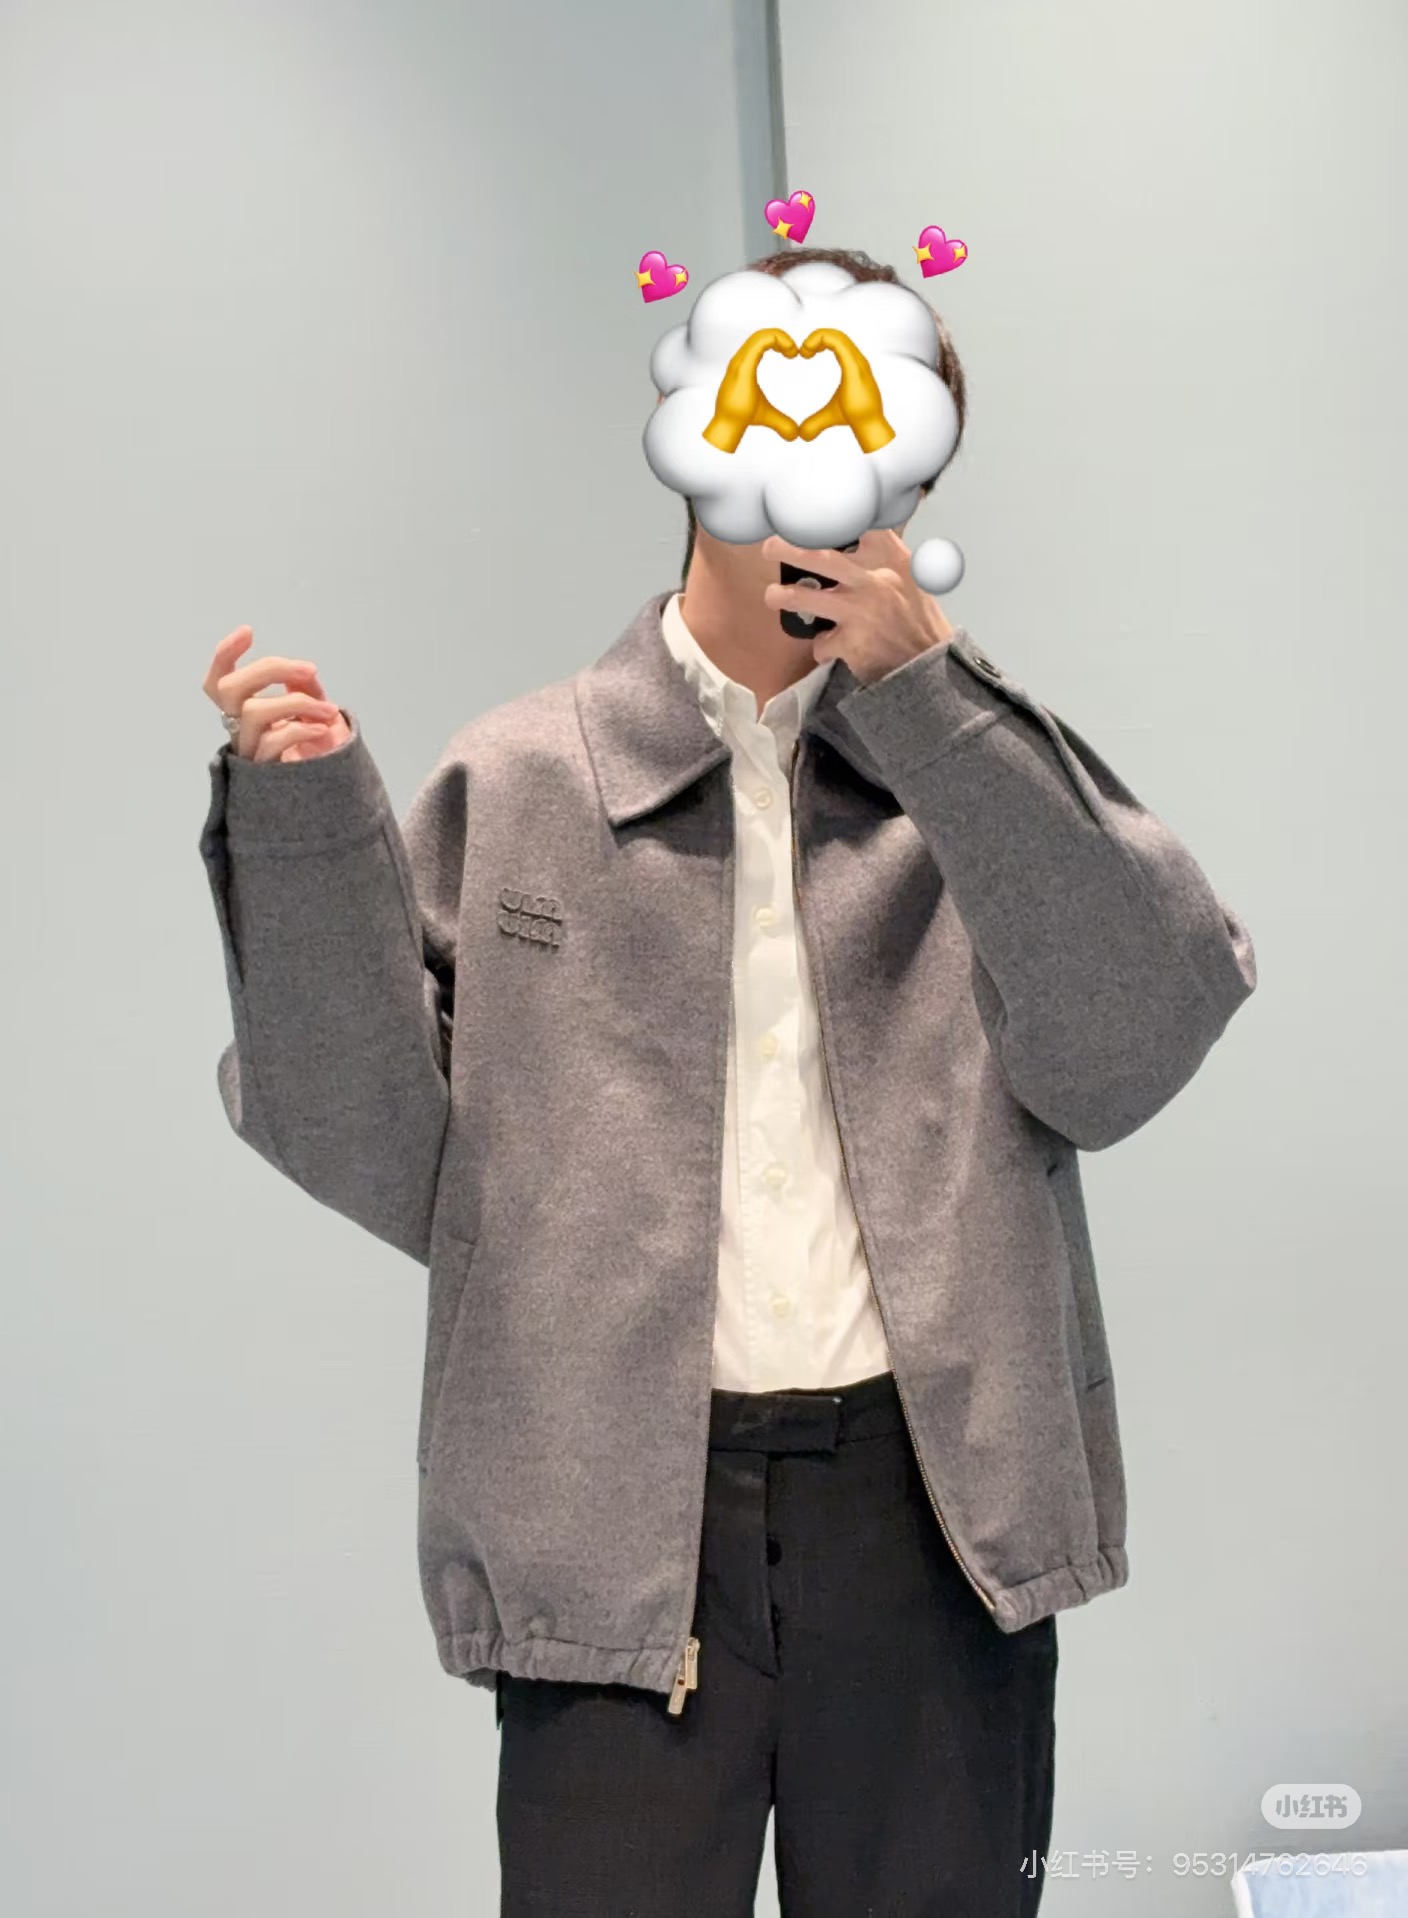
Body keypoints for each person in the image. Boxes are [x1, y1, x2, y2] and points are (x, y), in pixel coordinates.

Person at [198, 245, 1257, 1916]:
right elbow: (371, 1138)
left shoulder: (977, 792)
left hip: (931, 1523)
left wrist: (939, 709)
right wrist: (309, 836)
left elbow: (1135, 1039)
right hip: (613, 1522)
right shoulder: (523, 780)